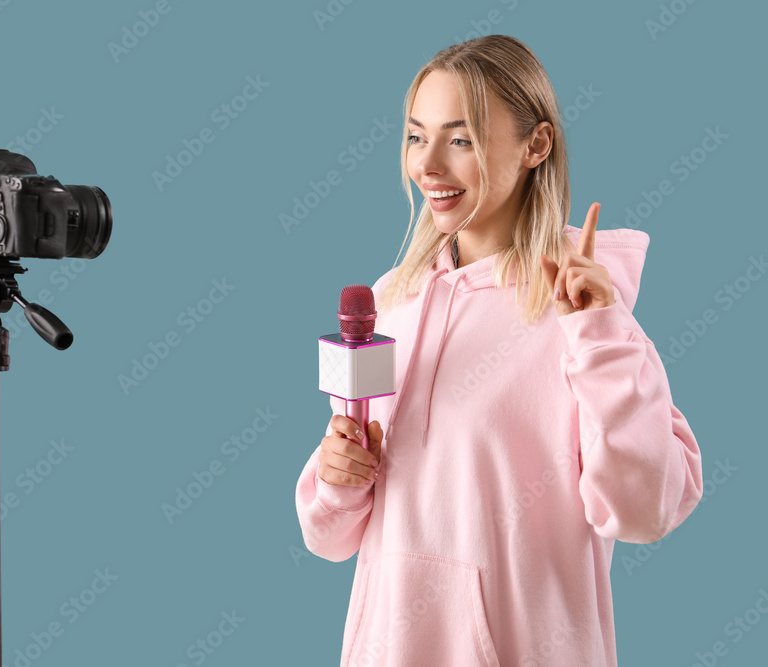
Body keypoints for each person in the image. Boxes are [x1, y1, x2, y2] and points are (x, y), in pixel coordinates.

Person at [294, 34, 703, 667]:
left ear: (536, 145)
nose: (428, 165)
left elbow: (645, 510)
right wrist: (338, 482)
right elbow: (330, 537)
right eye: (414, 136)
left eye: (460, 139)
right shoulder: (391, 300)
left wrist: (599, 331)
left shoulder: (582, 314)